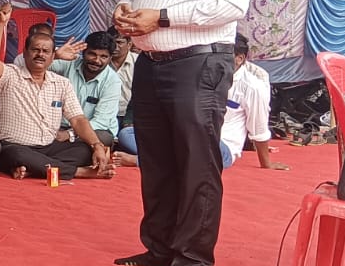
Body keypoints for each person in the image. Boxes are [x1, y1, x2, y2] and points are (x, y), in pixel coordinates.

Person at [112, 0, 254, 266]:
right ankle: (160, 247)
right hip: (152, 63)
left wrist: (164, 17)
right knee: (157, 161)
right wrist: (126, 10)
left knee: (196, 163)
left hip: (199, 64)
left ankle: (192, 260)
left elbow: (232, 3)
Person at [114, 35, 285, 172]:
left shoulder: (253, 86)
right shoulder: (198, 72)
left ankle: (142, 161)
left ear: (239, 58)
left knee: (207, 151)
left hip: (220, 144)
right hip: (182, 135)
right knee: (127, 134)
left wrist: (266, 163)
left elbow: (259, 128)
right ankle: (167, 158)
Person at [0, 4, 113, 181]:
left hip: (49, 146)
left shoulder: (61, 83)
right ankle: (77, 172)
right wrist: (0, 24)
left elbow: (77, 119)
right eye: (35, 50)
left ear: (53, 57)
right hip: (14, 146)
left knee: (86, 148)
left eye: (46, 52)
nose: (40, 55)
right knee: (15, 154)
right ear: (25, 53)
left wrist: (96, 145)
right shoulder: (10, 74)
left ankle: (34, 168)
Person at [49, 32, 122, 146]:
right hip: (61, 126)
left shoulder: (113, 81)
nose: (97, 61)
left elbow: (101, 121)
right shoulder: (69, 62)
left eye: (103, 57)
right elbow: (22, 64)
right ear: (83, 52)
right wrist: (55, 56)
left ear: (110, 58)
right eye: (92, 54)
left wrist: (70, 134)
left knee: (99, 140)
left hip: (95, 130)